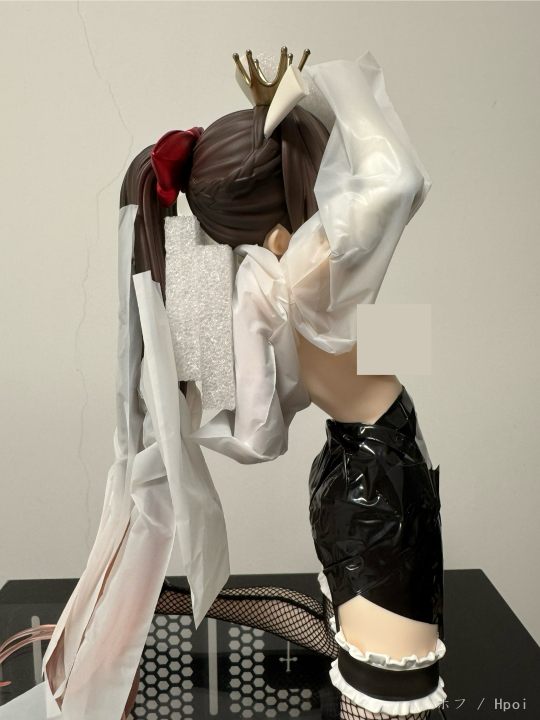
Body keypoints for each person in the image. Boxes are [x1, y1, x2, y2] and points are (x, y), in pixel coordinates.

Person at [0, 47, 445, 720]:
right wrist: (321, 84)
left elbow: (267, 428)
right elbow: (402, 181)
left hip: (360, 456)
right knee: (391, 695)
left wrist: (339, 347)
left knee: (374, 669)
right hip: (376, 471)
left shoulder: (276, 281)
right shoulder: (312, 264)